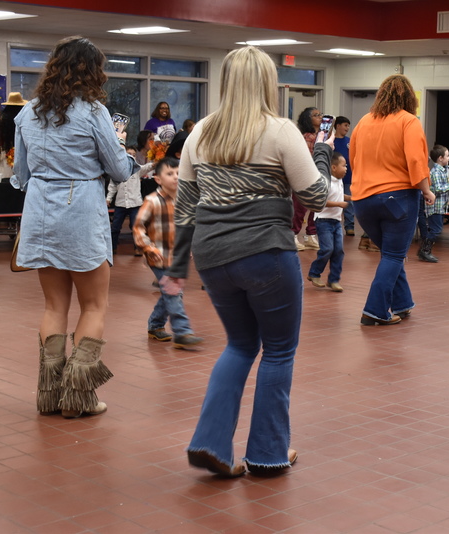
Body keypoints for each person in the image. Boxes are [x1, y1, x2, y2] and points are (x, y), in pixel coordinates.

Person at [162, 46, 330, 477]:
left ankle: (211, 443)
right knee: (278, 351)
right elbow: (314, 195)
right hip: (266, 255)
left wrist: (178, 268)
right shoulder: (280, 131)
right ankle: (268, 453)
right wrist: (324, 154)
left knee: (240, 345)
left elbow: (185, 208)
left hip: (213, 256)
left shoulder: (200, 133)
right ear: (267, 84)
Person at [12, 36, 139, 418]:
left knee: (54, 305)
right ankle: (79, 397)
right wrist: (128, 155)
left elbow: (20, 175)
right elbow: (118, 170)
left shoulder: (27, 113)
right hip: (81, 210)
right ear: (92, 71)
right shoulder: (94, 112)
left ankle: (49, 395)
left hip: (39, 209)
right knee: (94, 305)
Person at [350, 74, 435, 326]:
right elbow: (416, 162)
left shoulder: (363, 121)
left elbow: (353, 160)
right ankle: (375, 310)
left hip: (362, 200)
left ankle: (402, 303)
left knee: (390, 254)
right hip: (397, 198)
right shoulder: (409, 121)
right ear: (409, 97)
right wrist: (427, 190)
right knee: (394, 256)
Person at [133, 157, 203, 350]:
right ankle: (182, 332)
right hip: (157, 256)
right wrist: (148, 248)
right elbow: (138, 227)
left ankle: (155, 325)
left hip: (176, 257)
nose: (175, 177)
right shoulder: (152, 201)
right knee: (174, 293)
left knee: (169, 292)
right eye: (170, 174)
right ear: (158, 179)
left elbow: (187, 228)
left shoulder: (184, 201)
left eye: (179, 173)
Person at [307, 151, 349, 292]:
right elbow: (322, 201)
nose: (346, 168)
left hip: (336, 222)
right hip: (323, 221)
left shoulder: (339, 180)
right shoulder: (326, 181)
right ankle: (314, 273)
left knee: (339, 251)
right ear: (333, 167)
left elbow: (337, 195)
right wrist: (339, 204)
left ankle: (334, 280)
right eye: (344, 165)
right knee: (327, 249)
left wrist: (348, 198)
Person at [107, 145, 154, 254]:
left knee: (136, 227)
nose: (131, 156)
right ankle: (113, 248)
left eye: (133, 155)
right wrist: (108, 199)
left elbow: (148, 167)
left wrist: (156, 162)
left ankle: (137, 248)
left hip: (135, 204)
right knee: (115, 227)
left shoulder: (138, 170)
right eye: (129, 154)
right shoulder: (117, 171)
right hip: (120, 204)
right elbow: (112, 186)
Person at [417, 144, 449, 262]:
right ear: (440, 158)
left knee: (435, 228)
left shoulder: (442, 171)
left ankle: (424, 250)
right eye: (447, 156)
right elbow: (439, 189)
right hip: (435, 207)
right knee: (435, 229)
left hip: (440, 206)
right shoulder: (436, 172)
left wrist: (447, 199)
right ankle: (425, 250)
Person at [293, 106, 321, 251]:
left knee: (316, 207)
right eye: (316, 115)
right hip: (304, 176)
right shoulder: (305, 137)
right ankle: (293, 235)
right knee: (300, 208)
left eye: (320, 114)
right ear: (308, 119)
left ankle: (310, 235)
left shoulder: (323, 136)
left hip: (319, 176)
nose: (320, 117)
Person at [332, 116, 356, 236]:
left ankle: (349, 226)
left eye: (348, 126)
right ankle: (332, 223)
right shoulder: (331, 141)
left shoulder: (349, 141)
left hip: (348, 176)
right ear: (338, 126)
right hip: (334, 177)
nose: (347, 128)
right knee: (334, 198)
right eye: (345, 125)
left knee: (349, 202)